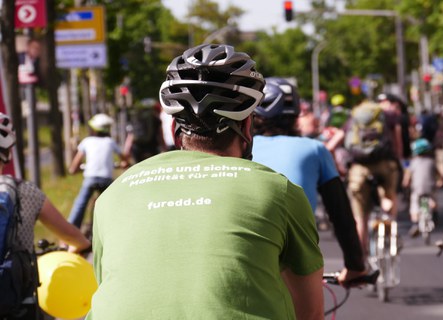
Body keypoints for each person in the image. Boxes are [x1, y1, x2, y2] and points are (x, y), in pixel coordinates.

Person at [86, 44, 325, 320]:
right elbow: (310, 312)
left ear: (176, 132)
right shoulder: (278, 190)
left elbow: (110, 283)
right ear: (248, 127)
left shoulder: (115, 192)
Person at [252, 77, 366, 286]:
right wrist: (355, 266)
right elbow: (341, 215)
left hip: (246, 253)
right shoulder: (315, 149)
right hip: (295, 256)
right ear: (296, 114)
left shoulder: (241, 149)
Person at [0, 113, 91, 320]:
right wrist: (77, 246)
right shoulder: (24, 190)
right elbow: (74, 238)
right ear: (7, 150)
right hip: (15, 303)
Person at [345, 99, 402, 257]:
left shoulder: (354, 116)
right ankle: (390, 227)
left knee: (360, 218)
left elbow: (343, 141)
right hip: (384, 164)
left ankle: (359, 260)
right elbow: (397, 143)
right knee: (390, 193)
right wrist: (397, 159)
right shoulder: (387, 116)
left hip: (359, 168)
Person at [68, 113, 128, 229]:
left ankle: (71, 230)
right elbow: (124, 158)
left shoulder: (87, 141)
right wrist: (124, 163)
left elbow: (75, 164)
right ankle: (117, 227)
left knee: (80, 204)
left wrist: (73, 170)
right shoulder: (110, 142)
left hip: (90, 178)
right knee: (112, 204)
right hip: (106, 179)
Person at [403, 138, 443, 237]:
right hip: (430, 189)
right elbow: (440, 176)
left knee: (414, 207)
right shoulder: (431, 162)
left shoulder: (413, 163)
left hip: (417, 190)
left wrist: (406, 185)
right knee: (432, 199)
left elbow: (406, 180)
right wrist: (440, 182)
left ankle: (415, 224)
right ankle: (434, 212)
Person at [124, 98, 166, 163]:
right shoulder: (156, 119)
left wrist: (126, 152)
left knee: (138, 168)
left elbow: (130, 137)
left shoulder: (136, 118)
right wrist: (164, 149)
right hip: (152, 147)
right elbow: (160, 136)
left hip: (137, 148)